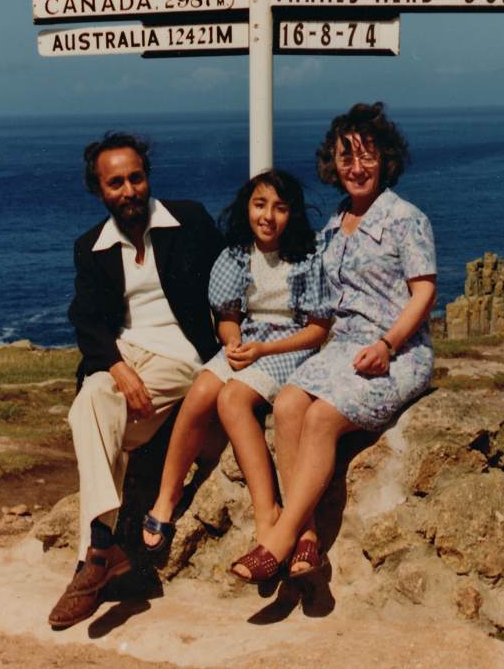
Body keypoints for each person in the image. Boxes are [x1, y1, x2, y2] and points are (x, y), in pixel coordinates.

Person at [231, 103, 437, 583]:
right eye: (347, 157)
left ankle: (278, 541)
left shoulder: (406, 219)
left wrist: (387, 344)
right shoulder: (332, 226)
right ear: (334, 163)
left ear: (385, 160)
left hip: (397, 352)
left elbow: (424, 293)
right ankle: (306, 537)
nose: (357, 167)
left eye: (367, 155)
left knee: (322, 417)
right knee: (287, 405)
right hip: (342, 349)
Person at [48, 132, 223, 629]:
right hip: (126, 358)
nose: (129, 190)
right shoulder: (91, 247)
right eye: (116, 183)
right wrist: (117, 367)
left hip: (181, 356)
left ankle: (93, 557)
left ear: (147, 177)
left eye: (136, 178)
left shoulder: (189, 221)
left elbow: (233, 276)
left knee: (95, 418)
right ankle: (105, 549)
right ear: (99, 190)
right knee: (92, 400)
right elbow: (85, 318)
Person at [142, 169, 332, 553]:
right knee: (200, 392)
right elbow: (227, 317)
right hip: (249, 340)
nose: (268, 216)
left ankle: (267, 509)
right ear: (247, 207)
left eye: (280, 208)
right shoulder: (236, 256)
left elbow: (318, 330)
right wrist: (233, 343)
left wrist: (263, 351)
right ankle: (167, 494)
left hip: (290, 346)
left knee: (232, 399)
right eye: (260, 205)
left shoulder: (308, 257)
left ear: (293, 213)